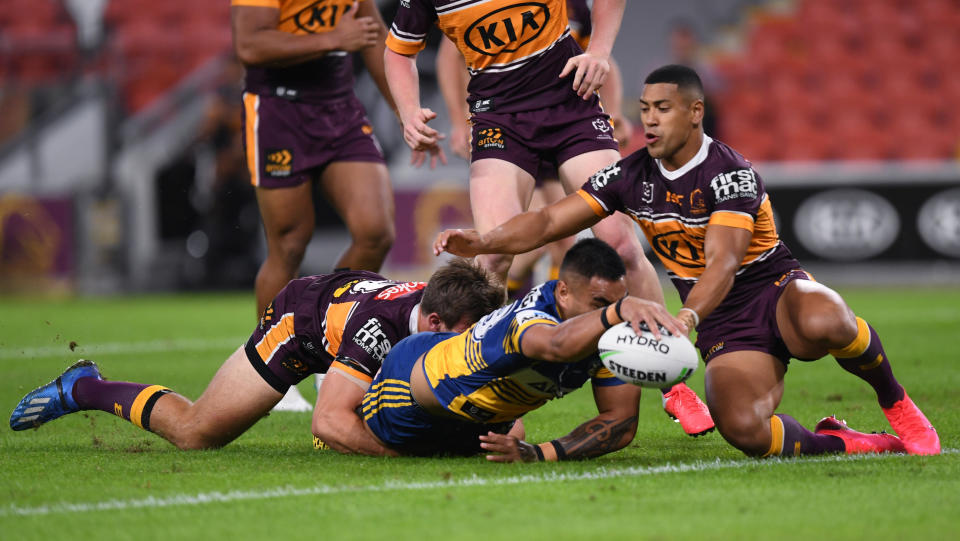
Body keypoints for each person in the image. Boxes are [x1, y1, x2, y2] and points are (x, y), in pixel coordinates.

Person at [434, 65, 941, 457]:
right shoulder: (630, 174)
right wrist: (483, 240)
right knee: (744, 431)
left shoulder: (731, 174)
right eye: (645, 108)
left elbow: (722, 264)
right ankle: (853, 441)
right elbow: (548, 222)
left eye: (664, 109)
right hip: (724, 321)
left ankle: (895, 400)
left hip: (774, 292)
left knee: (825, 317)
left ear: (695, 112)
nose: (650, 119)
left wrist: (686, 318)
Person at [427, 1, 714, 438]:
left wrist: (611, 101)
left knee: (620, 244)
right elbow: (450, 53)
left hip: (569, 115)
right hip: (504, 121)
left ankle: (673, 384)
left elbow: (603, 58)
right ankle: (479, 387)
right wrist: (453, 117)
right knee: (500, 258)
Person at [9, 261, 505, 455]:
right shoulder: (378, 332)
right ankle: (84, 386)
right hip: (300, 324)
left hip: (345, 302)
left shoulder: (446, 314)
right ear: (434, 324)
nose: (468, 346)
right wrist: (409, 455)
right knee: (196, 433)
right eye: (463, 336)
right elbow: (328, 424)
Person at [384, 0, 660, 303]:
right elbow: (400, 50)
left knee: (622, 245)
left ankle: (662, 345)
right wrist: (409, 112)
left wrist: (599, 52)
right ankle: (483, 348)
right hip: (499, 120)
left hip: (571, 106)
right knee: (492, 258)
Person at [355, 238, 687, 460]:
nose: (608, 315)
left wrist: (540, 453)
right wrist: (615, 312)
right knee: (402, 446)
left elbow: (621, 422)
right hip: (408, 393)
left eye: (616, 302)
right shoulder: (528, 319)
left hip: (479, 421)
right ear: (563, 292)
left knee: (495, 442)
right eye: (599, 303)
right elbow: (557, 346)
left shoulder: (606, 335)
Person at [231, 0, 402, 411]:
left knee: (375, 232)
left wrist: (404, 110)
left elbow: (372, 34)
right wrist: (333, 39)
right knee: (289, 244)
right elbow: (250, 45)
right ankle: (273, 372)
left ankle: (332, 337)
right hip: (278, 108)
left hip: (340, 106)